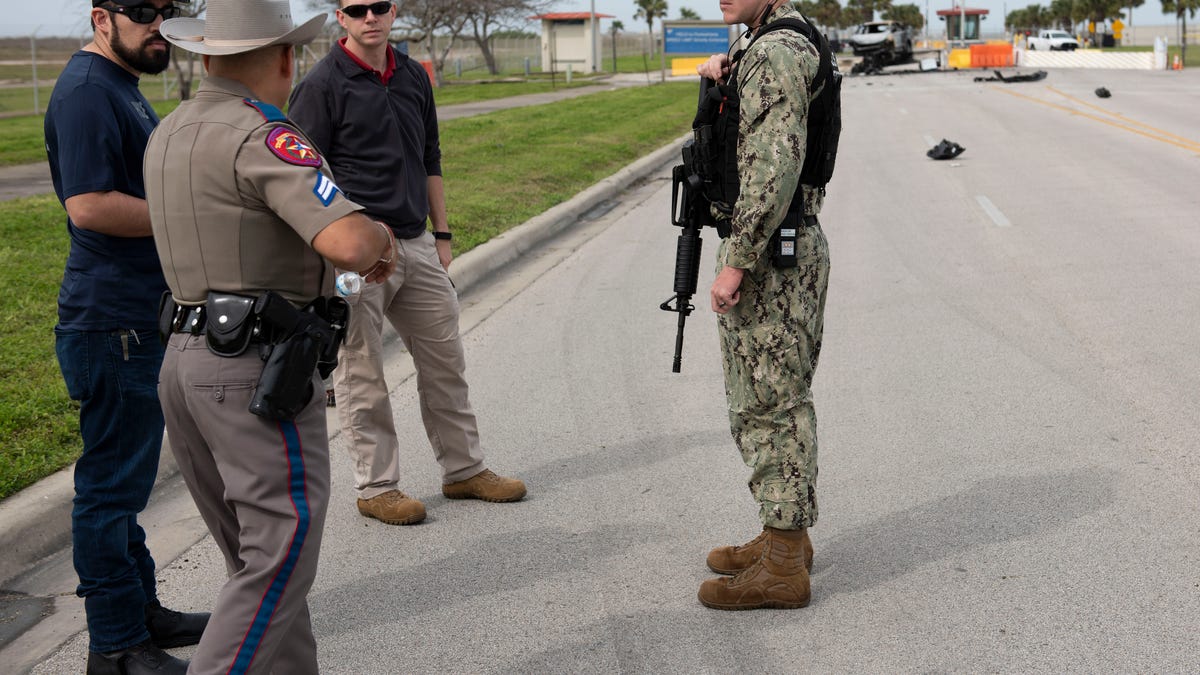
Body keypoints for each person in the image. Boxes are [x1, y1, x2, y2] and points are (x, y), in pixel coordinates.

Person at [145, 1, 397, 671]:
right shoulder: (265, 134)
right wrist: (379, 236)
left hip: (185, 362)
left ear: (207, 55)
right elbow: (345, 240)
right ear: (287, 56)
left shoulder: (170, 129)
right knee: (280, 551)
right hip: (253, 370)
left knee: (256, 565)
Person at [287, 0, 526, 526]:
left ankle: (463, 470)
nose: (370, 17)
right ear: (340, 17)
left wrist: (441, 235)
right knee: (361, 371)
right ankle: (377, 487)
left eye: (379, 6)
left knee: (446, 361)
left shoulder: (413, 74)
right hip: (357, 250)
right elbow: (303, 180)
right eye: (357, 9)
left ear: (393, 11)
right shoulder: (321, 85)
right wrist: (345, 242)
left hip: (416, 242)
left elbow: (430, 158)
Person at [43, 1, 210, 671]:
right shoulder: (88, 93)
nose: (158, 23)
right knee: (109, 488)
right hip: (110, 323)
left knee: (127, 481)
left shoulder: (122, 87)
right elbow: (87, 205)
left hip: (137, 317)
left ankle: (144, 612)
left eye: (169, 10)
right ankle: (114, 644)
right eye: (143, 10)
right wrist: (187, 218)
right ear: (101, 17)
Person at [694, 0, 832, 610]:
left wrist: (736, 261)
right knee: (770, 394)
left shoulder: (775, 49)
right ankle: (785, 537)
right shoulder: (769, 41)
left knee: (770, 402)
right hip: (781, 248)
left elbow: (774, 168)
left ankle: (782, 564)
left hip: (771, 257)